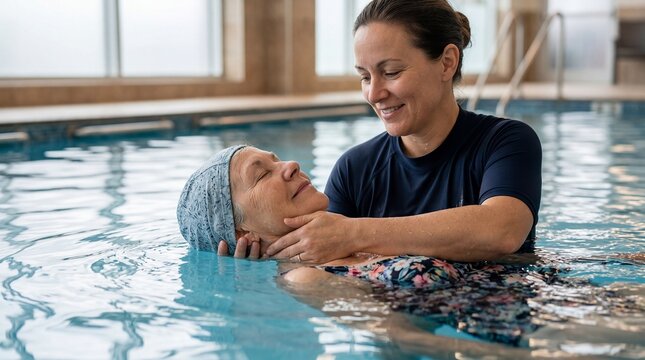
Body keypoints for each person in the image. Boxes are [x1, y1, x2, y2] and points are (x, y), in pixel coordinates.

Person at [176, 145, 645, 350]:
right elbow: (404, 335)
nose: (290, 165)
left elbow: (497, 259)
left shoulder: (352, 234)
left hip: (572, 295)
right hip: (547, 330)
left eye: (275, 157)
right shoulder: (306, 276)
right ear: (241, 235)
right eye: (262, 173)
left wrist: (610, 263)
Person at [261, 0, 542, 264]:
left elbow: (502, 230)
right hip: (389, 312)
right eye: (365, 77)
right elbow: (322, 259)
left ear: (447, 62)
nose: (374, 93)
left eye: (392, 72)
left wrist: (353, 233)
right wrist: (266, 247)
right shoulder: (355, 169)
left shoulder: (505, 142)